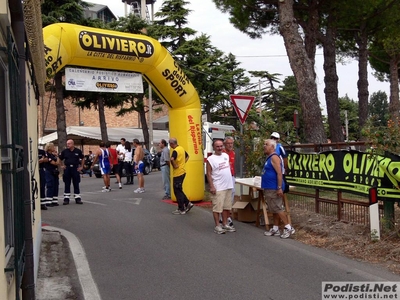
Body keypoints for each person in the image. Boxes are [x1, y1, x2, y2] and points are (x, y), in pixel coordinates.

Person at [261, 139, 295, 239]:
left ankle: (288, 227)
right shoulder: (269, 157)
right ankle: (275, 228)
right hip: (269, 186)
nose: (264, 146)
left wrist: (279, 187)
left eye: (266, 144)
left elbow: (279, 173)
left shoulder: (274, 158)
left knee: (277, 208)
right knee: (274, 209)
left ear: (272, 147)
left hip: (273, 187)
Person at [207, 139, 235, 234]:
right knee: (217, 207)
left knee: (227, 207)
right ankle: (217, 226)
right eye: (217, 146)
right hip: (218, 187)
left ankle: (225, 223)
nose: (220, 148)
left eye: (221, 146)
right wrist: (212, 186)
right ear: (214, 147)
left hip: (228, 185)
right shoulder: (211, 159)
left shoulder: (226, 156)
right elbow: (209, 173)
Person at [169, 137, 194, 215]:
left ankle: (181, 208)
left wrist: (175, 165)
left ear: (172, 144)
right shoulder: (181, 148)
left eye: (170, 144)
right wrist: (183, 163)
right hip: (182, 171)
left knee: (177, 191)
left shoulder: (175, 151)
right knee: (179, 190)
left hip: (178, 173)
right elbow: (187, 156)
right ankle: (187, 203)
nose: (170, 146)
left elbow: (171, 159)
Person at [59, 139, 85, 205]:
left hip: (75, 168)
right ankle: (66, 199)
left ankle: (77, 198)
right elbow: (59, 158)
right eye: (67, 143)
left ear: (73, 144)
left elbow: (83, 158)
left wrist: (81, 166)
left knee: (76, 183)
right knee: (67, 183)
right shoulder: (65, 151)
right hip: (67, 168)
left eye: (69, 144)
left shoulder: (78, 151)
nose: (68, 145)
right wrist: (61, 165)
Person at [222, 136, 236, 227]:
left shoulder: (233, 153)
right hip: (224, 178)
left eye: (231, 143)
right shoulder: (222, 154)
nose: (230, 145)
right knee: (224, 197)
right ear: (224, 144)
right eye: (228, 143)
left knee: (231, 196)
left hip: (231, 176)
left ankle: (228, 215)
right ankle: (224, 217)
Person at [44, 143, 60, 207]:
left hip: (54, 172)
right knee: (50, 185)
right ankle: (48, 201)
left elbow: (58, 162)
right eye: (53, 147)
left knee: (56, 186)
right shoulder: (47, 155)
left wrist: (57, 156)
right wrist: (58, 157)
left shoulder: (52, 155)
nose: (54, 148)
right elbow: (55, 163)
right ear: (49, 148)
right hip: (49, 172)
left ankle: (54, 201)